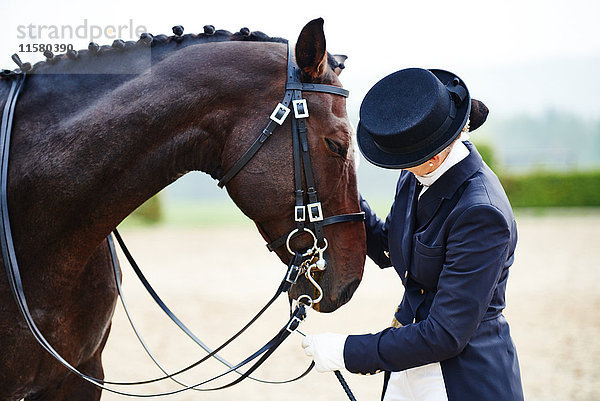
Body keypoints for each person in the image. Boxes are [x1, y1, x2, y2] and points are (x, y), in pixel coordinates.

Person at [301, 68, 524, 401]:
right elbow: (389, 246)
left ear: (433, 158)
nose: (400, 168)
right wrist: (341, 186)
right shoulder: (416, 176)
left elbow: (445, 333)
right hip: (405, 362)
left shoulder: (481, 213)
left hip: (462, 376)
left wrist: (347, 350)